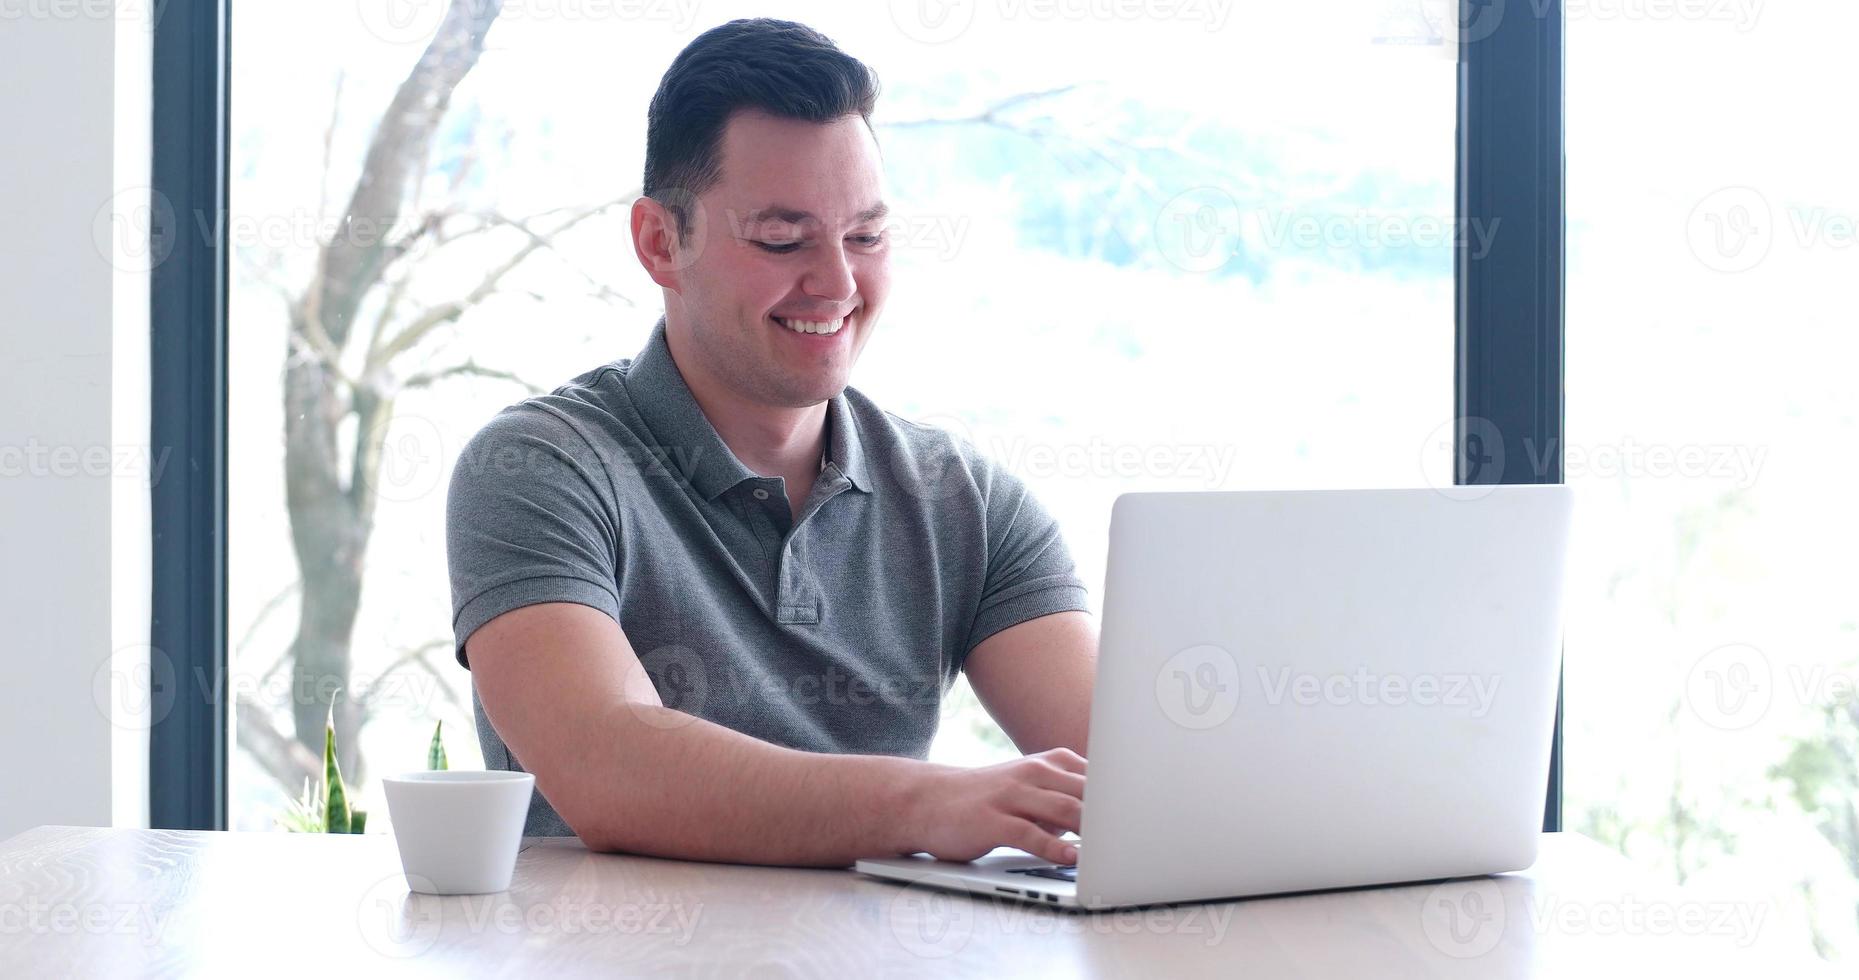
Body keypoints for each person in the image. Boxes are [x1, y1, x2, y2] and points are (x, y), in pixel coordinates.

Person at [446, 18, 1095, 868]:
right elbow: (607, 767)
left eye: (864, 237)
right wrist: (936, 804)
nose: (836, 283)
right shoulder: (540, 468)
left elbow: (1141, 776)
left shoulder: (964, 500)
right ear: (659, 243)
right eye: (782, 239)